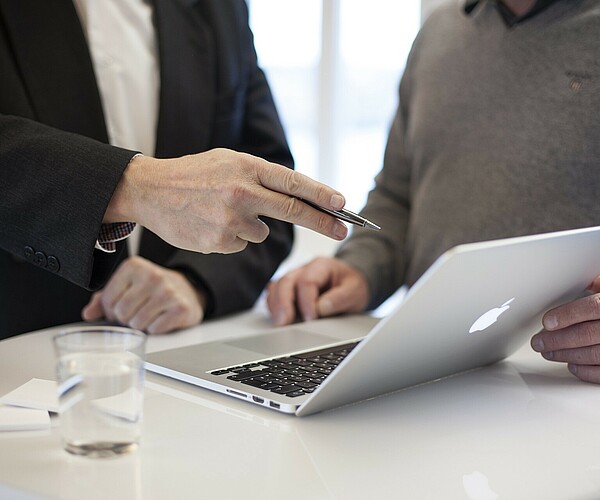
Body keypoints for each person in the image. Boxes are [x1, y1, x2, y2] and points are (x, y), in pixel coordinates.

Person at [267, 0, 600, 383]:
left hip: (567, 389)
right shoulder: (440, 32)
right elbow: (398, 196)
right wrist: (359, 269)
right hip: (427, 374)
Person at [0, 0, 349, 338]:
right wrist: (134, 188)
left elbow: (267, 189)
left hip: (173, 360)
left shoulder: (220, 8)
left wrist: (195, 282)